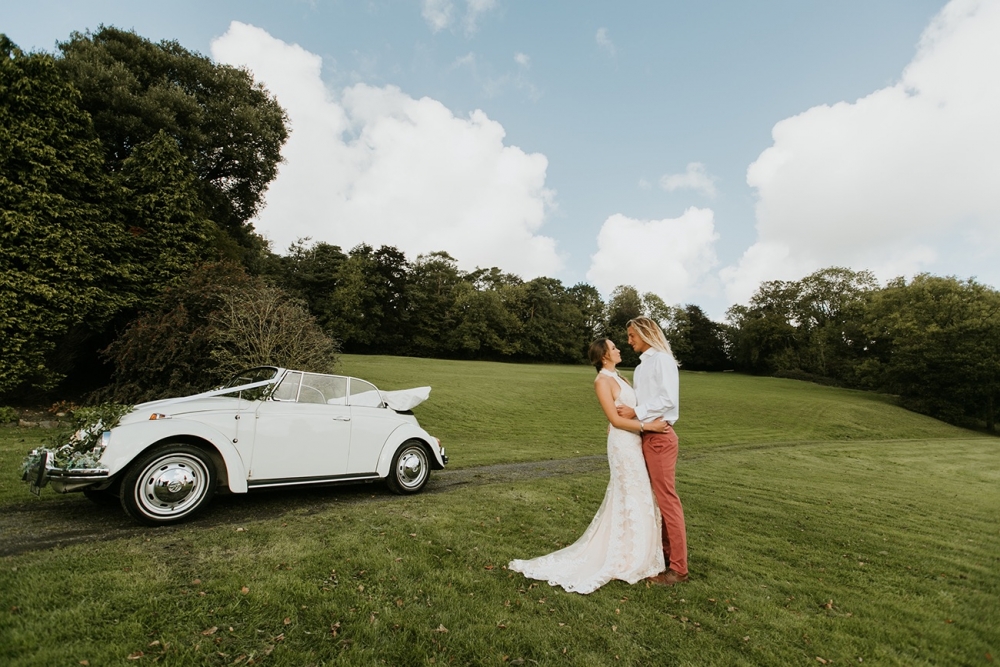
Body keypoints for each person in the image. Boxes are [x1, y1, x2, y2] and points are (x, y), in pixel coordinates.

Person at [508, 338, 669, 593]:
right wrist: (650, 426)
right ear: (604, 355)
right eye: (614, 347)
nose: (619, 349)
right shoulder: (601, 381)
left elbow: (628, 410)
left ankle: (638, 550)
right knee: (631, 493)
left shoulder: (621, 378)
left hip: (633, 441)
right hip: (623, 444)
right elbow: (615, 420)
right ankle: (630, 556)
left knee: (638, 494)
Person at [617, 317, 688, 585]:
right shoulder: (641, 367)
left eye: (632, 334)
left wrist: (637, 412)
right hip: (645, 433)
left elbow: (668, 399)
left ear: (646, 333)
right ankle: (664, 557)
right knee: (654, 500)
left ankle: (679, 569)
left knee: (667, 500)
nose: (629, 340)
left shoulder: (662, 360)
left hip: (660, 437)